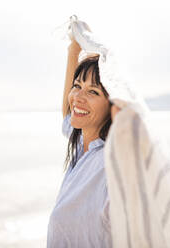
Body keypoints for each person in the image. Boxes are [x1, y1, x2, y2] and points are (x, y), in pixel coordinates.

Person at [47, 36, 120, 247]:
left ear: (112, 107)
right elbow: (68, 113)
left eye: (93, 91)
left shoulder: (111, 164)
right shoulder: (81, 142)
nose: (78, 97)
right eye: (77, 86)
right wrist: (73, 50)